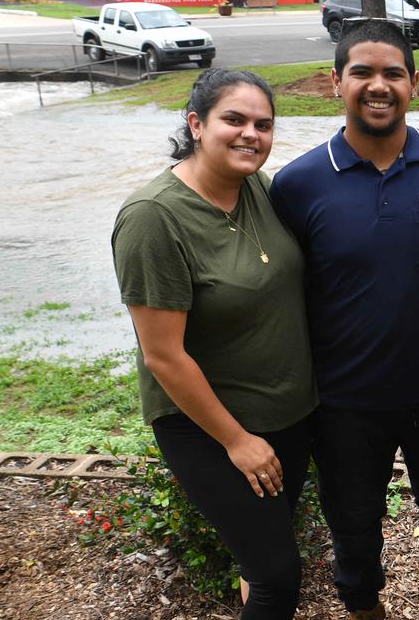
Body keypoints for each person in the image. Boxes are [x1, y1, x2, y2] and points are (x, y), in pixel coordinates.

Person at [269, 19, 419, 620]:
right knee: (354, 516)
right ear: (334, 82)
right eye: (362, 72)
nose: (378, 85)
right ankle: (364, 608)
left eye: (392, 73)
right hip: (343, 399)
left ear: (414, 83)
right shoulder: (297, 184)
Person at [112, 68, 318, 619]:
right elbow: (163, 355)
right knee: (278, 577)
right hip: (210, 426)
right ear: (196, 124)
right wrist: (236, 441)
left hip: (285, 412)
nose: (251, 134)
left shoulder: (256, 187)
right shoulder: (153, 218)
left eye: (264, 124)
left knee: (258, 560)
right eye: (234, 120)